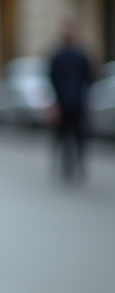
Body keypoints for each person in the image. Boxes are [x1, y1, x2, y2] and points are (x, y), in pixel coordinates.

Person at [47, 20, 94, 183]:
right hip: (78, 102)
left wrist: (56, 101)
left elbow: (52, 79)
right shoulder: (82, 55)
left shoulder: (57, 56)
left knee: (61, 135)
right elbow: (90, 78)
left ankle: (63, 166)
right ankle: (80, 165)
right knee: (79, 135)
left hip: (62, 103)